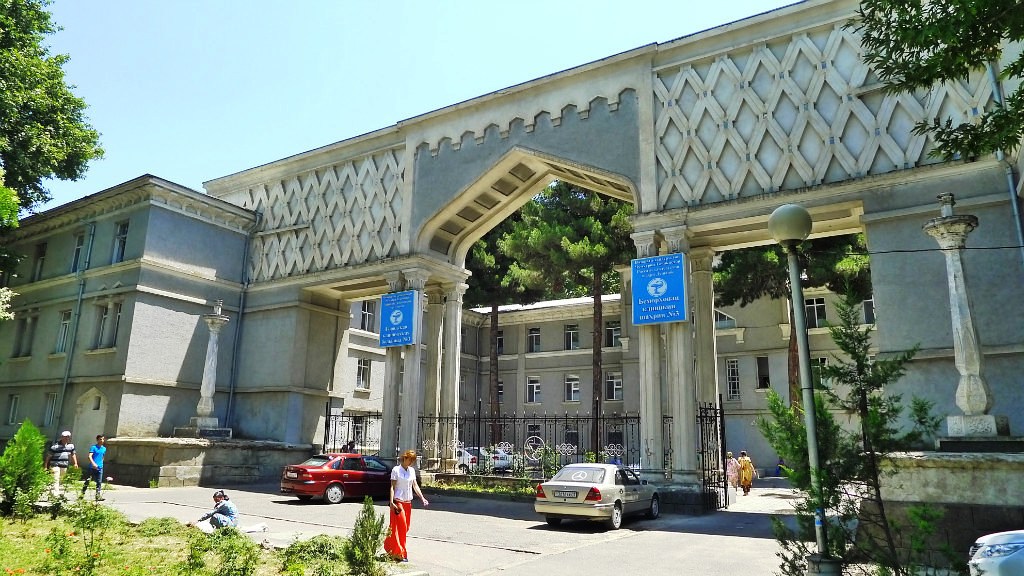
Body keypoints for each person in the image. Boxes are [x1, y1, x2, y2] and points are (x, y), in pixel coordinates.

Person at [385, 449, 429, 562]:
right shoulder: (396, 470)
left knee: (406, 527)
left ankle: (390, 547)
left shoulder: (412, 471)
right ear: (404, 458)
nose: (411, 462)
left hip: (408, 503)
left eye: (413, 461)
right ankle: (401, 553)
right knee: (401, 527)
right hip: (398, 502)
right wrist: (391, 502)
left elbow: (415, 486)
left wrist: (422, 498)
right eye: (410, 460)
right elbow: (392, 487)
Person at [43, 431, 79, 499]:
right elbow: (48, 456)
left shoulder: (71, 446)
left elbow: (73, 454)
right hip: (55, 465)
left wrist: (75, 463)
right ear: (61, 437)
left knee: (60, 480)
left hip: (64, 465)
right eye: (64, 437)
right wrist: (45, 466)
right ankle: (56, 495)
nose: (66, 438)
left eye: (67, 437)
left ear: (69, 438)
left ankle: (51, 492)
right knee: (56, 479)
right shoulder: (55, 446)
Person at [81, 434, 107, 501]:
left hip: (100, 467)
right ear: (97, 440)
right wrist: (93, 464)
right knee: (87, 481)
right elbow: (89, 456)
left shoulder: (104, 448)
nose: (102, 440)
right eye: (100, 439)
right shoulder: (94, 447)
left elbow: (103, 457)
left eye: (103, 439)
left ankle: (97, 496)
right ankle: (82, 494)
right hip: (92, 467)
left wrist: (101, 463)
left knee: (99, 482)